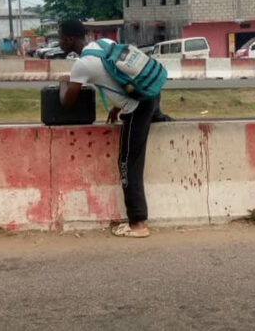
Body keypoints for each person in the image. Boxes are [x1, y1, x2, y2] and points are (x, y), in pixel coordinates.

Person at [57, 19, 172, 238]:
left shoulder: (82, 65)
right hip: (151, 95)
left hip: (136, 109)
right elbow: (120, 76)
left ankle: (138, 224)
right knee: (133, 158)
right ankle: (159, 116)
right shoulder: (104, 44)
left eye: (60, 38)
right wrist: (116, 107)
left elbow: (67, 103)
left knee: (128, 164)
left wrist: (65, 81)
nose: (59, 42)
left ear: (70, 39)